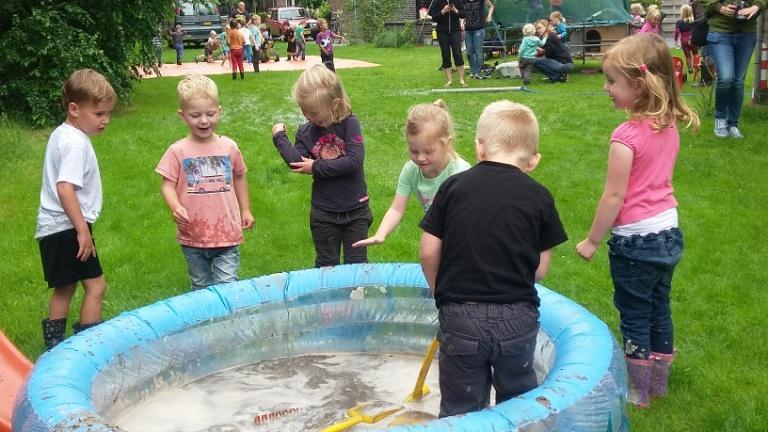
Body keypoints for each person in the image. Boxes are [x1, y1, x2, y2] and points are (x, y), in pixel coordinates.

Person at [419, 100, 567, 417]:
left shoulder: (453, 187)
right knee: (518, 406)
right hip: (517, 318)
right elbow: (540, 270)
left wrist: (437, 290)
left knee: (462, 409)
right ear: (534, 160)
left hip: (460, 316)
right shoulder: (540, 197)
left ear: (479, 147)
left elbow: (428, 250)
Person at [576, 34, 700, 408]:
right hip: (668, 233)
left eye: (612, 81)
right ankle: (659, 383)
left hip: (636, 241)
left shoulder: (626, 136)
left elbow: (614, 196)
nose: (606, 88)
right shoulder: (669, 124)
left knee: (634, 313)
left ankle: (637, 392)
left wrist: (592, 241)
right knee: (660, 307)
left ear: (639, 85)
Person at [36, 69, 117, 349]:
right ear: (74, 108)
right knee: (96, 286)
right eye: (99, 114)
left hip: (52, 228)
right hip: (70, 226)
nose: (105, 120)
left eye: (108, 114)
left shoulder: (62, 134)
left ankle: (55, 346)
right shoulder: (75, 144)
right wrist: (82, 231)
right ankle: (88, 347)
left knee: (65, 286)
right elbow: (65, 188)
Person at [156, 75, 254, 291]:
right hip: (193, 234)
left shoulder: (228, 147)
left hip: (227, 232)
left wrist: (245, 209)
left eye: (210, 114)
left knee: (227, 287)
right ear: (182, 116)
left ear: (218, 111)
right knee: (200, 287)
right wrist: (176, 207)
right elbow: (167, 185)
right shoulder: (177, 151)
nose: (204, 120)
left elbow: (239, 175)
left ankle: (227, 323)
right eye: (195, 115)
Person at [271, 65, 371, 267]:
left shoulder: (349, 124)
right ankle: (331, 300)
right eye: (304, 111)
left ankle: (357, 299)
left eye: (313, 112)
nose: (308, 116)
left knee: (357, 265)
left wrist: (316, 166)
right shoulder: (306, 131)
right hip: (324, 212)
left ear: (334, 104)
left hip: (356, 210)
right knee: (326, 264)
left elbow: (353, 161)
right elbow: (297, 162)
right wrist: (279, 137)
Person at [352, 100, 470, 249]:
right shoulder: (411, 170)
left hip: (464, 235)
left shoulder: (460, 173)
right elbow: (396, 209)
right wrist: (380, 234)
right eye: (414, 151)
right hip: (439, 234)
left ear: (447, 143)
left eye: (428, 151)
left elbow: (471, 218)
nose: (420, 158)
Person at [701, 0, 764, 138]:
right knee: (726, 77)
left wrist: (756, 6)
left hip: (747, 33)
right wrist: (720, 8)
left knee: (738, 81)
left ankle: (733, 124)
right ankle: (720, 119)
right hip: (721, 31)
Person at [429, 0, 466, 87]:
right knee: (445, 54)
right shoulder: (437, 2)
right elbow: (434, 17)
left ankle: (461, 79)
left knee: (457, 53)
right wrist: (443, 11)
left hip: (455, 30)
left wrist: (455, 10)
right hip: (442, 32)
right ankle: (449, 81)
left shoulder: (457, 1)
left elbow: (463, 14)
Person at [463, 0, 494, 80]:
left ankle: (477, 72)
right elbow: (460, 11)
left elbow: (491, 6)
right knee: (469, 52)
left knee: (478, 51)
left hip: (479, 29)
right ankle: (472, 71)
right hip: (467, 30)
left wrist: (489, 15)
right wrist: (461, 20)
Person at [674, 4, 698, 74]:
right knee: (695, 53)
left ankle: (690, 68)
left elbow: (677, 31)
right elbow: (696, 30)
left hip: (684, 40)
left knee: (688, 56)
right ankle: (696, 66)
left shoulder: (679, 22)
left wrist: (676, 41)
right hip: (693, 39)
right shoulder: (693, 21)